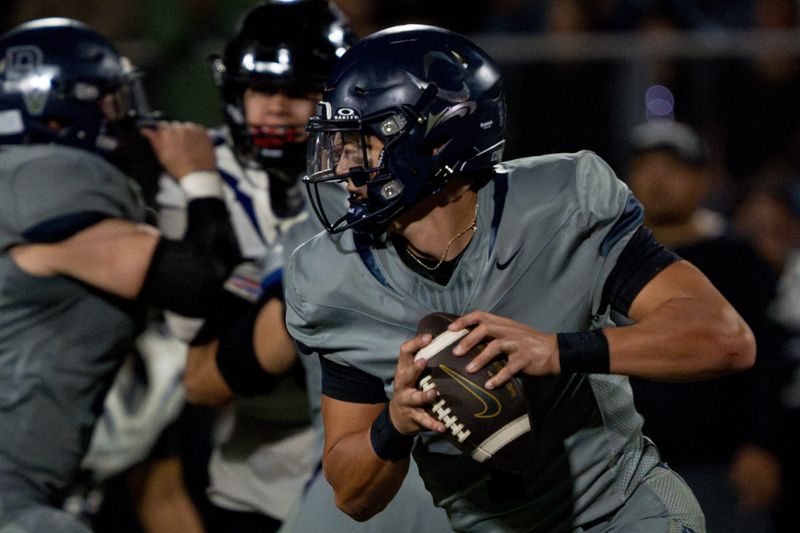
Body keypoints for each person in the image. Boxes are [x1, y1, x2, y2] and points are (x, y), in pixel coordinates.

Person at [285, 25, 756, 532]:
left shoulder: (559, 204)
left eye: (363, 141)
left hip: (621, 513)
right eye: (339, 143)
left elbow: (724, 339)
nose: (343, 165)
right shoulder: (334, 277)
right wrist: (393, 425)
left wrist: (556, 351)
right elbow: (353, 497)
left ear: (434, 139)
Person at [0, 17, 241, 533]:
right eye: (114, 101)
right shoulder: (49, 178)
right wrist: (198, 178)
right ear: (59, 117)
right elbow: (195, 281)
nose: (127, 117)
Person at [625, 119, 787, 533]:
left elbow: (768, 360)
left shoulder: (738, 259)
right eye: (646, 167)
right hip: (624, 466)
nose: (658, 180)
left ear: (703, 180)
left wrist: (761, 443)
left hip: (718, 463)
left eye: (673, 168)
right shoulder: (608, 259)